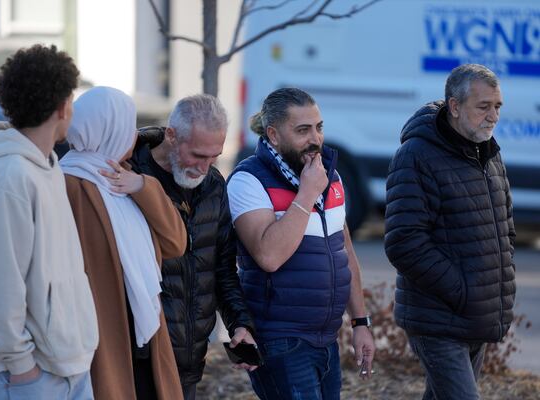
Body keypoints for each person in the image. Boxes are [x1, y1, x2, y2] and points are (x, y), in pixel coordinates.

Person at [0, 44, 98, 399]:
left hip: (68, 365)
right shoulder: (8, 177)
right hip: (27, 376)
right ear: (62, 107)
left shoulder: (47, 165)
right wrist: (23, 368)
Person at [227, 87, 375, 399]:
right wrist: (307, 195)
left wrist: (360, 322)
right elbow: (269, 256)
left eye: (319, 127)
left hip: (326, 339)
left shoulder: (327, 176)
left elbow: (344, 251)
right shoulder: (248, 180)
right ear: (274, 134)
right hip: (280, 340)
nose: (315, 139)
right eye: (303, 130)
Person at [384, 63, 516, 399]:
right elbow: (404, 242)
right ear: (454, 107)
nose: (493, 116)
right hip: (438, 320)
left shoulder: (488, 153)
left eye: (497, 106)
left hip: (476, 318)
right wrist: (464, 291)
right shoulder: (416, 155)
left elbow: (505, 228)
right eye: (483, 106)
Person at [60, 86, 187, 400]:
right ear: (108, 128)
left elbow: (175, 243)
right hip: (103, 340)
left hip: (144, 338)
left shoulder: (124, 178)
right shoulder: (66, 184)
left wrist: (145, 187)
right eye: (127, 126)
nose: (133, 135)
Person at [129, 94, 256, 400]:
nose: (205, 167)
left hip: (190, 359)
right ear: (171, 136)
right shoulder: (129, 177)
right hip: (139, 357)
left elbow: (222, 267)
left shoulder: (213, 184)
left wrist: (240, 323)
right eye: (198, 155)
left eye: (214, 156)